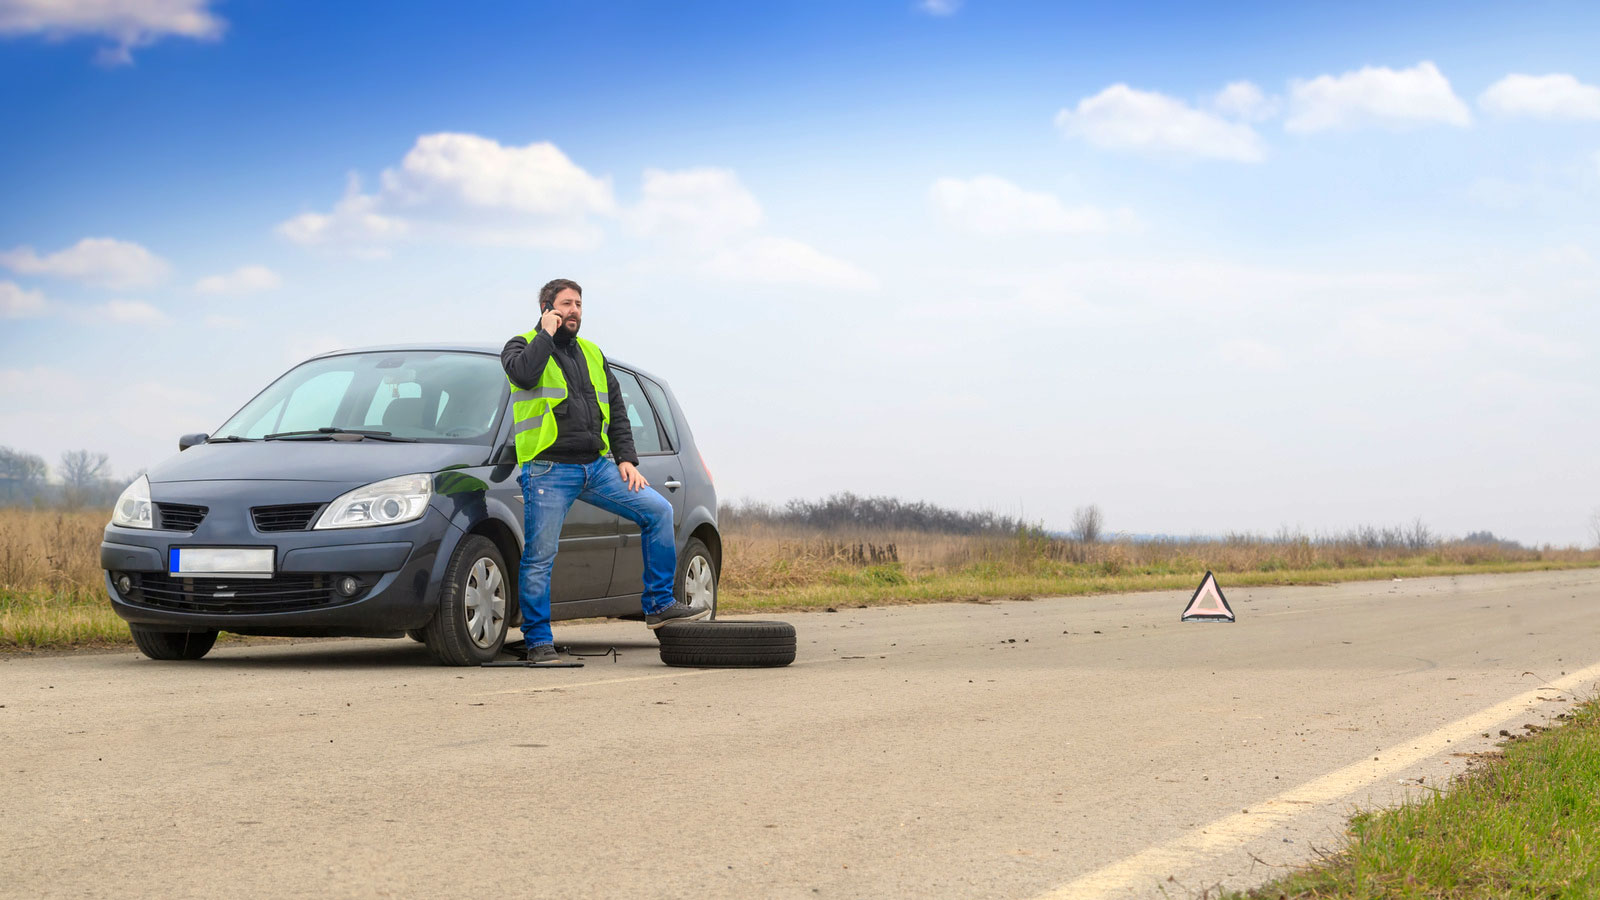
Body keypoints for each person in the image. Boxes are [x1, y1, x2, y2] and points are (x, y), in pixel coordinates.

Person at [500, 278, 708, 663]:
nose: (574, 310)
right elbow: (525, 375)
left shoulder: (593, 354)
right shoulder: (520, 346)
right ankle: (537, 641)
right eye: (565, 304)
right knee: (540, 556)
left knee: (658, 511)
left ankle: (660, 605)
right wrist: (545, 334)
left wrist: (626, 458)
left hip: (596, 466)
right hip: (547, 469)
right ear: (547, 307)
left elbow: (617, 408)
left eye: (579, 304)